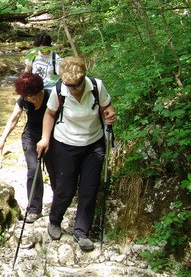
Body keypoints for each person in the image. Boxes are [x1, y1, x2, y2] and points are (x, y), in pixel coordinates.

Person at [36, 56, 117, 252]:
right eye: (70, 85)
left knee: (90, 188)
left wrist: (111, 114)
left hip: (93, 143)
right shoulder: (59, 90)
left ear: (84, 78)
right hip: (66, 144)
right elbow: (50, 114)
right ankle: (54, 221)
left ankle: (81, 231)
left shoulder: (97, 86)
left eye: (77, 85)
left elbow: (107, 106)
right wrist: (45, 138)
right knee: (65, 188)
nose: (74, 89)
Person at [0, 72, 54, 223]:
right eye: (25, 96)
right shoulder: (24, 99)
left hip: (52, 136)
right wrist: (2, 140)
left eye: (30, 96)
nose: (27, 99)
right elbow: (13, 119)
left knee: (55, 171)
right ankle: (34, 209)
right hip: (31, 136)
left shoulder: (52, 97)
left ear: (39, 91)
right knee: (33, 170)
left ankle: (59, 204)